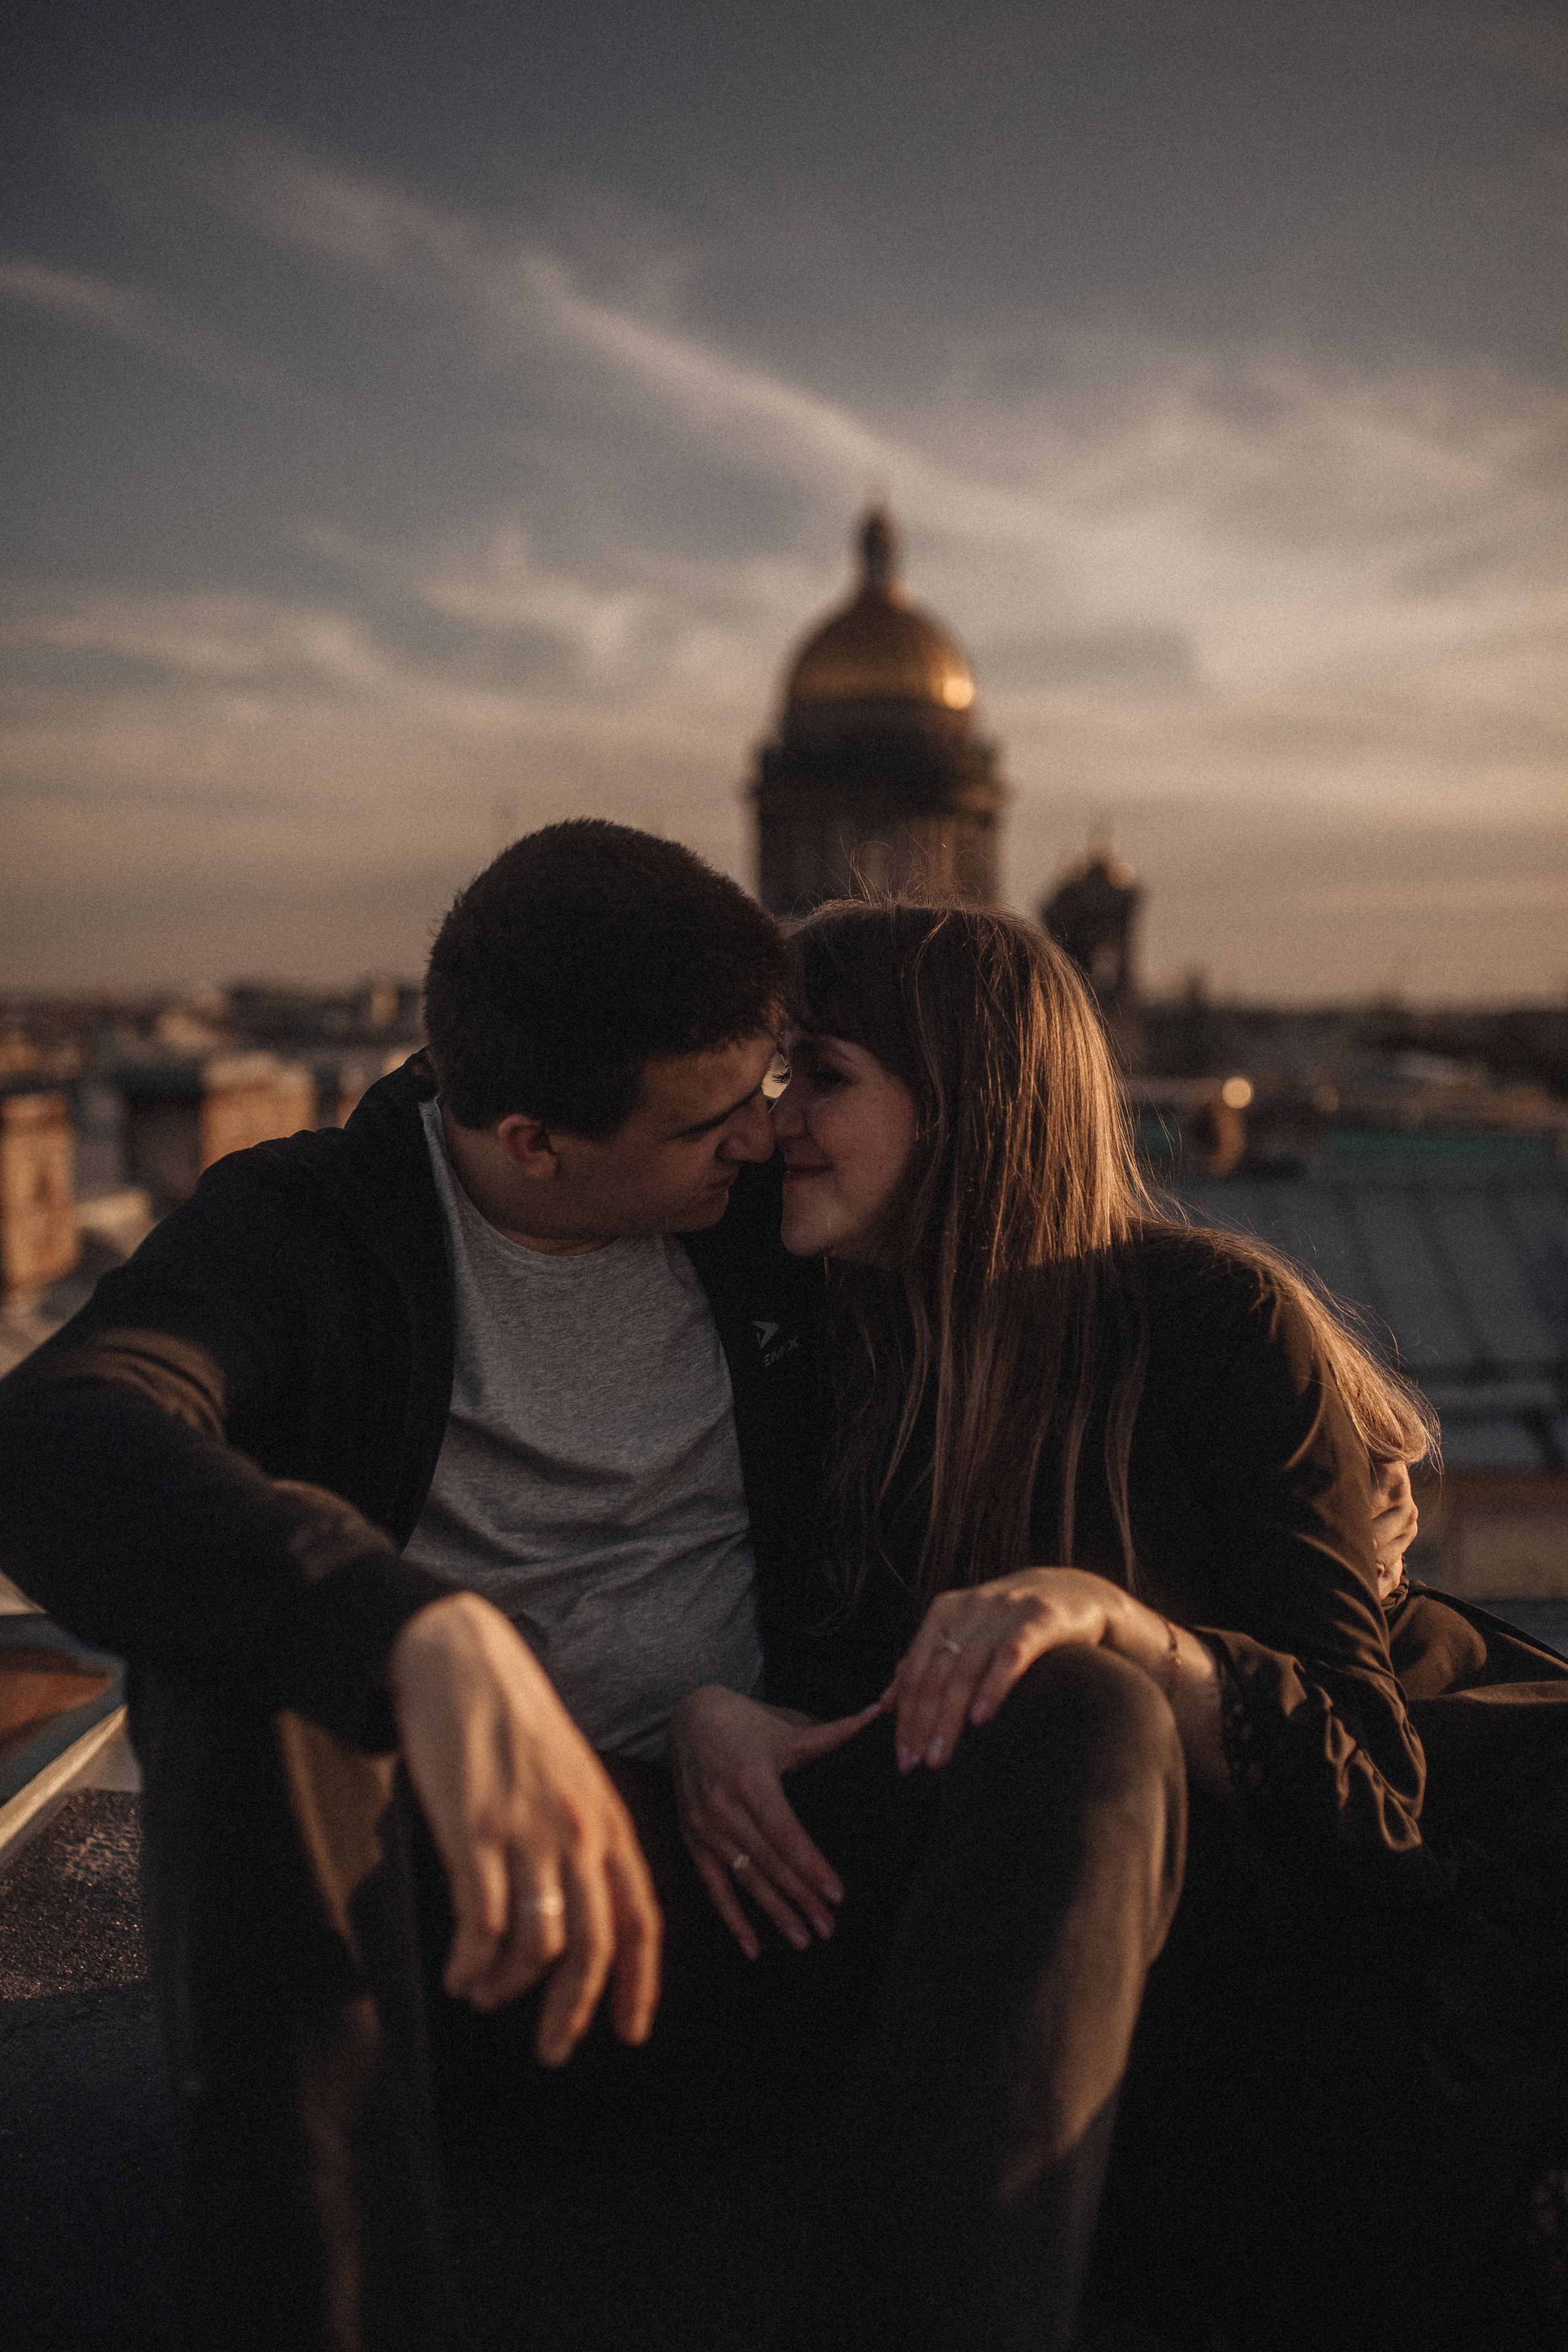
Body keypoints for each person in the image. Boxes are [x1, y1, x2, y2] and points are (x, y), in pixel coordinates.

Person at [667, 898, 1568, 2352]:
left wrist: (1115, 1625)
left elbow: (1369, 1791)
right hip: (1093, 1944)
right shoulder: (810, 1326)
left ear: (964, 1100)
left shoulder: (1210, 1319)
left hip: (1405, 1912)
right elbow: (520, 1075)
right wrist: (703, 1710)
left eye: (817, 1075)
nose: (771, 1123)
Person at [0, 820, 826, 2351]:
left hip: (772, 1887)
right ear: (532, 1141)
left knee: (1071, 1715)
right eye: (715, 1116)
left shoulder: (778, 1221)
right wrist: (409, 1631)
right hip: (448, 1955)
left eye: (772, 1082)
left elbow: (1059, 1249)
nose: (766, 1133)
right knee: (261, 1650)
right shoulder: (309, 1224)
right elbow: (55, 1443)